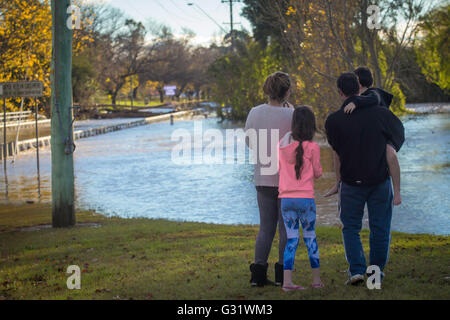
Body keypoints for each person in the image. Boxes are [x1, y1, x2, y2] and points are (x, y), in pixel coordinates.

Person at [325, 72, 404, 285]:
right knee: (380, 228)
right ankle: (375, 275)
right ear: (360, 89)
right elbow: (398, 135)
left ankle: (357, 271)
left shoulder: (333, 121)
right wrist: (390, 146)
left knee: (350, 227)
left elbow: (337, 153)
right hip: (379, 181)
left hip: (351, 183)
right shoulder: (381, 114)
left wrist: (338, 181)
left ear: (340, 92)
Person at [244, 71, 294, 287]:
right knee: (285, 229)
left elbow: (249, 143)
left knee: (266, 228)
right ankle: (283, 276)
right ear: (287, 91)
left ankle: (258, 275)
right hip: (286, 179)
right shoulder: (293, 114)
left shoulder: (254, 113)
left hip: (263, 178)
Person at [327, 67, 402, 206]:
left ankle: (397, 192)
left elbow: (373, 99)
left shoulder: (373, 94)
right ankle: (338, 183)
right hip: (378, 132)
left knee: (390, 153)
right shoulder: (364, 98)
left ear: (359, 85)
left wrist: (356, 101)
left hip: (385, 133)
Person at [278, 106, 323, 291]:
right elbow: (318, 173)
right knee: (310, 237)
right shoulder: (313, 148)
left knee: (291, 240)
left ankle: (287, 282)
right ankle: (316, 280)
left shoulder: (282, 146)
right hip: (306, 200)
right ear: (311, 125)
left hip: (286, 200)